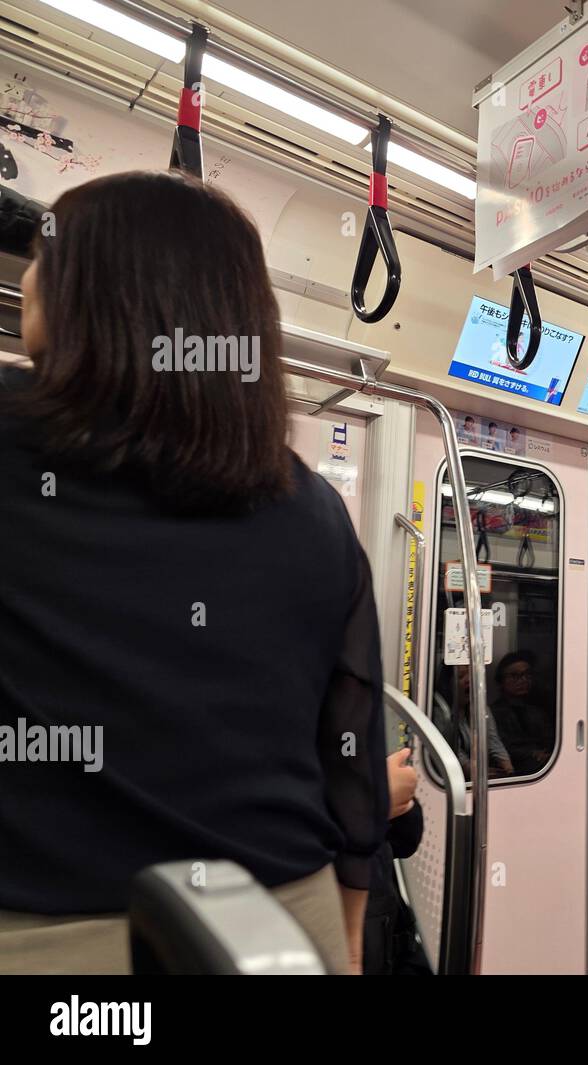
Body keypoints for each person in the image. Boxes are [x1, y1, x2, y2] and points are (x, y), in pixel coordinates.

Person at [0, 171, 389, 975]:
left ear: (90, 291)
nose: (31, 271)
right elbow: (350, 747)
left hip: (54, 940)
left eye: (44, 254)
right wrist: (348, 934)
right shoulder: (314, 509)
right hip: (283, 925)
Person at [363, 749, 431, 975]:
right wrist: (371, 803)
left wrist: (403, 805)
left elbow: (405, 842)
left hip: (395, 940)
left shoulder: (347, 747)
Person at [491, 650, 553, 774]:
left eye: (527, 675)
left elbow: (548, 738)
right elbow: (502, 745)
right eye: (515, 676)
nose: (523, 680)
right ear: (501, 681)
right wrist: (533, 753)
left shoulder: (537, 711)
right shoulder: (494, 713)